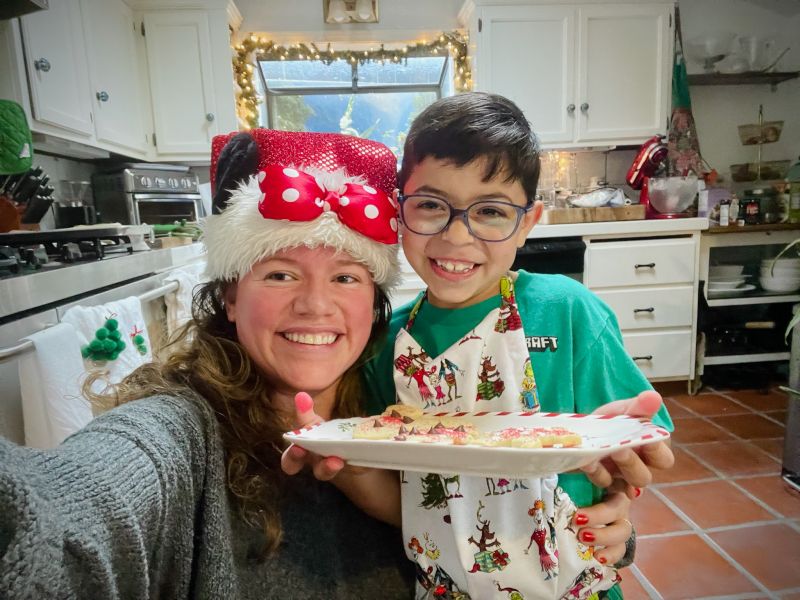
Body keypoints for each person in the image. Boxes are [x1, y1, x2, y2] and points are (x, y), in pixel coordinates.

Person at [0, 130, 415, 599]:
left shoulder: (408, 408)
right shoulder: (182, 428)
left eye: (346, 277)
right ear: (230, 297)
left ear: (374, 302)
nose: (315, 305)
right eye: (281, 274)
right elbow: (74, 510)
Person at [361, 92, 675, 599]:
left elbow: (640, 448)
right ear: (399, 211)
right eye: (429, 205)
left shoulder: (567, 311)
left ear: (528, 222)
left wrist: (622, 484)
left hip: (572, 582)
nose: (456, 236)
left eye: (489, 211)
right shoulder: (384, 342)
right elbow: (390, 483)